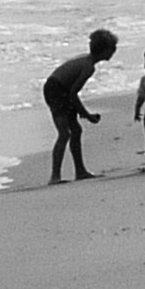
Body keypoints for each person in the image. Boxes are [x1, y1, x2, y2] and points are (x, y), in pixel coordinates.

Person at [43, 28, 118, 184]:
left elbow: (70, 94)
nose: (114, 51)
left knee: (76, 130)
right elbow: (72, 94)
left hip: (59, 88)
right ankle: (55, 176)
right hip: (55, 90)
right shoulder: (88, 66)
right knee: (64, 133)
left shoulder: (86, 60)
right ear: (105, 50)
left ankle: (80, 171)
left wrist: (83, 112)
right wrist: (87, 115)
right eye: (112, 48)